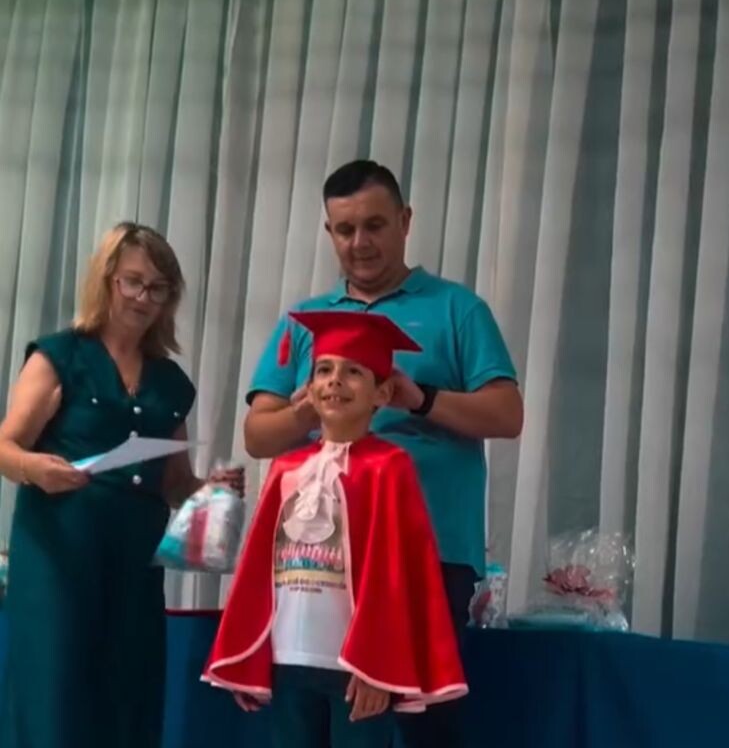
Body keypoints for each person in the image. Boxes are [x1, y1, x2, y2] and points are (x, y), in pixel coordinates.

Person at [245, 159, 523, 748]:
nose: (360, 243)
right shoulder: (306, 322)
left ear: (405, 221)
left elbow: (507, 415)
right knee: (313, 719)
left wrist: (420, 399)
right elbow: (258, 436)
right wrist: (314, 406)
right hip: (320, 561)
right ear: (329, 232)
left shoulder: (457, 309)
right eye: (345, 230)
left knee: (422, 720)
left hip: (428, 552)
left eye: (374, 225)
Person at [0, 222, 241, 748]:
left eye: (158, 288)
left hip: (133, 565)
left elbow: (175, 483)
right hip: (58, 556)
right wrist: (36, 469)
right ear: (107, 279)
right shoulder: (60, 356)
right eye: (133, 282)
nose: (143, 298)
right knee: (53, 695)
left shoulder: (170, 382)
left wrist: (211, 491)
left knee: (127, 696)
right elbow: (5, 446)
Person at [206, 310, 467, 744]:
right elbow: (259, 568)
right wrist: (250, 657)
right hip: (288, 655)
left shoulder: (389, 467)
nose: (335, 381)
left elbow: (395, 576)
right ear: (308, 389)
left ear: (383, 392)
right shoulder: (287, 468)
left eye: (354, 372)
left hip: (354, 666)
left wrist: (379, 665)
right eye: (324, 370)